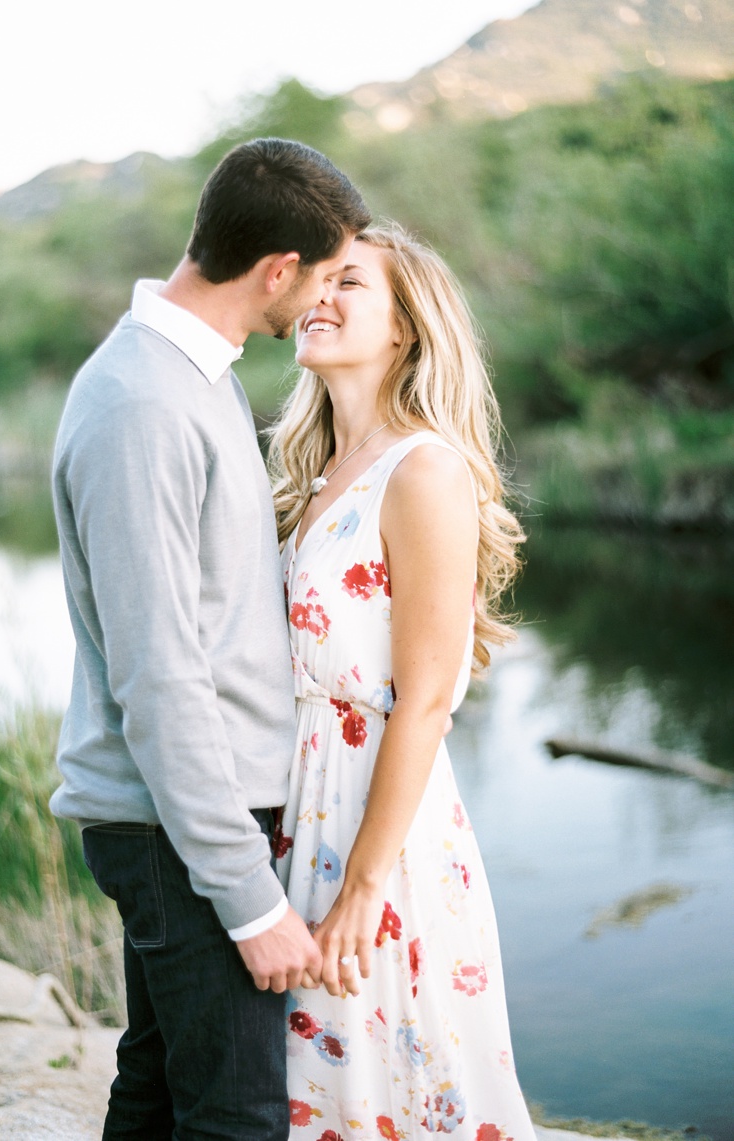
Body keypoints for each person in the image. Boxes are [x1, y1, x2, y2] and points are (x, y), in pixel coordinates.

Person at [49, 137, 370, 1141]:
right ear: (277, 269)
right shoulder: (144, 403)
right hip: (175, 830)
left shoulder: (194, 375)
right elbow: (159, 676)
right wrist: (247, 897)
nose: (318, 304)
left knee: (157, 1083)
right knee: (235, 1118)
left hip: (183, 819)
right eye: (320, 279)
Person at [267, 225, 535, 1139]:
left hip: (375, 832)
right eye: (315, 279)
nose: (320, 296)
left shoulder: (423, 470)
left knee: (393, 1076)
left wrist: (363, 887)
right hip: (295, 814)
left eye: (351, 284)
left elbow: (424, 700)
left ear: (406, 331)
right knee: (311, 1086)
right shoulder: (311, 474)